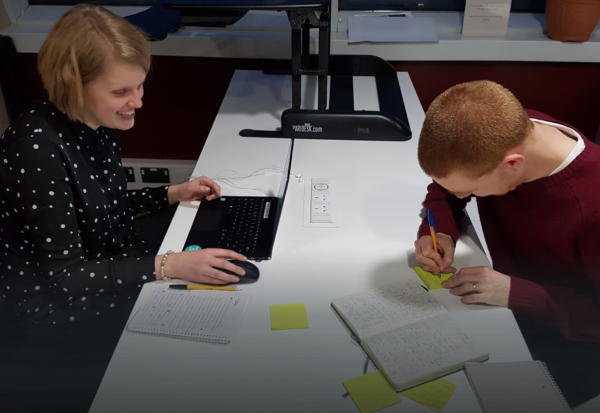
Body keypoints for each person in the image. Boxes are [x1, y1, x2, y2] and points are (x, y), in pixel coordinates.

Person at [0, 4, 246, 411]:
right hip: (58, 307)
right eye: (120, 92)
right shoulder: (36, 150)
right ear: (73, 84)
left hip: (111, 259)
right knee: (208, 328)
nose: (137, 102)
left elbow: (100, 206)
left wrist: (172, 192)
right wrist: (170, 265)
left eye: (140, 87)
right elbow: (65, 274)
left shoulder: (90, 122)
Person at [414, 80, 600, 407]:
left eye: (469, 190)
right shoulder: (509, 130)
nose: (461, 196)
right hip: (510, 312)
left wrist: (520, 293)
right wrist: (439, 228)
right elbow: (443, 190)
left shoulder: (592, 204)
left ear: (512, 164)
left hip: (573, 342)